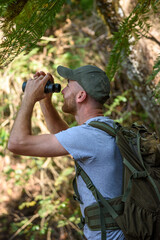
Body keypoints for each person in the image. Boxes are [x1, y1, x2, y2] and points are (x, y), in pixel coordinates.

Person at [8, 65, 125, 240]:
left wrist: (28, 98)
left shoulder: (88, 137)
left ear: (81, 96)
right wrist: (45, 102)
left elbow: (17, 143)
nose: (62, 91)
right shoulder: (108, 129)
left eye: (68, 85)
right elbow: (66, 140)